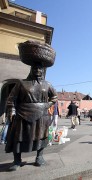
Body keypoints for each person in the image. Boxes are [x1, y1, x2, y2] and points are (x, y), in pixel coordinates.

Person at [5, 41, 58, 171]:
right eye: (35, 68)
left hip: (42, 115)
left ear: (43, 70)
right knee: (19, 137)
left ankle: (39, 157)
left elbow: (54, 97)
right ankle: (17, 160)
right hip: (23, 113)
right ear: (31, 70)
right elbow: (11, 99)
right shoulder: (21, 83)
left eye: (40, 68)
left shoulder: (47, 84)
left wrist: (47, 105)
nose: (38, 70)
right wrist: (11, 111)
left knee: (41, 137)